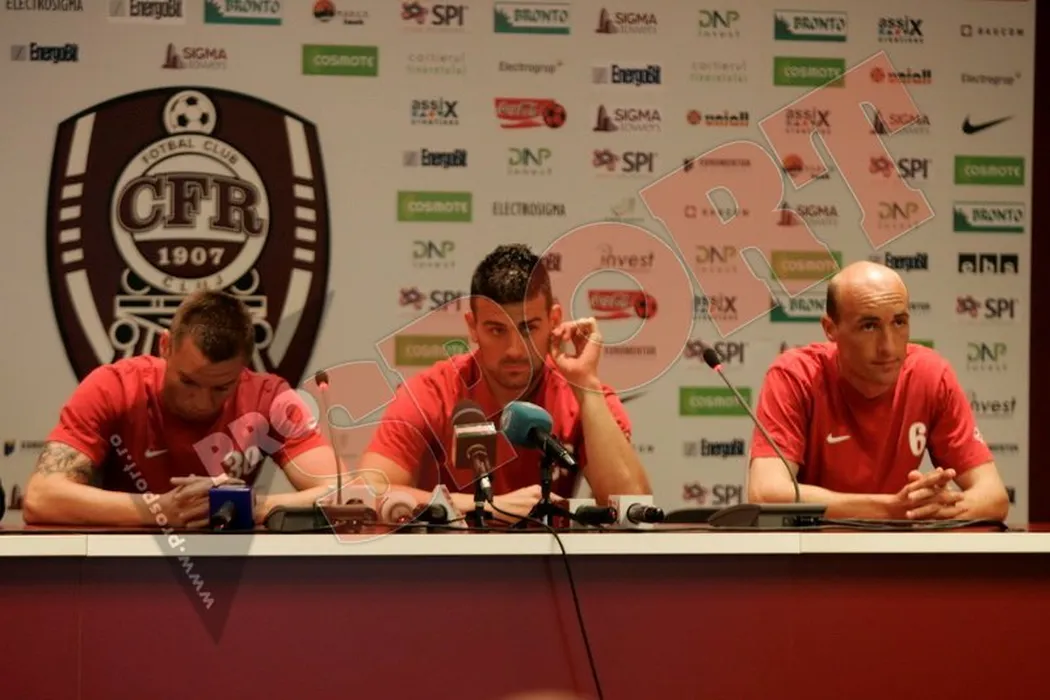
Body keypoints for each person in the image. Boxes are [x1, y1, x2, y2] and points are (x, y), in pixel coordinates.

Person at [358, 244, 652, 521]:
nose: (514, 350)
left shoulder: (581, 394)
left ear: (554, 320)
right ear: (473, 327)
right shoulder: (432, 392)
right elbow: (368, 494)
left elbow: (631, 508)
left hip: (552, 557)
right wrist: (486, 508)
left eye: (528, 328)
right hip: (450, 558)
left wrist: (586, 384)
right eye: (497, 330)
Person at [23, 290, 341, 528]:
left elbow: (342, 493)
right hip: (122, 568)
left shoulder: (270, 398)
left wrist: (245, 505)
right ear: (165, 346)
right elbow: (40, 498)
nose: (201, 402)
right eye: (188, 381)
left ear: (245, 366)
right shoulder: (114, 387)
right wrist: (161, 509)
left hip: (229, 568)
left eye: (222, 387)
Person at [748, 260, 1010, 521]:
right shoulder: (795, 376)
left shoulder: (930, 375)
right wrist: (889, 509)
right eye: (869, 326)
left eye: (899, 322)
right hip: (813, 544)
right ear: (830, 329)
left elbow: (994, 497)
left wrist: (928, 508)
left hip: (895, 545)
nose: (889, 348)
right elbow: (766, 493)